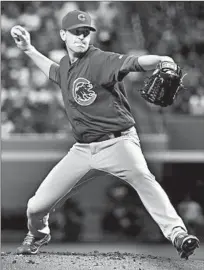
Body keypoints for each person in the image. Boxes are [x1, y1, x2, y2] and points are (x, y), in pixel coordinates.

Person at [11, 10, 199, 259]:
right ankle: (39, 233)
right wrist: (28, 50)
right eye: (77, 32)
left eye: (86, 32)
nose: (82, 37)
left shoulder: (101, 60)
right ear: (63, 35)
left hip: (119, 142)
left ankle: (177, 233)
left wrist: (162, 59)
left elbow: (135, 62)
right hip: (82, 150)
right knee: (35, 206)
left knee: (144, 178)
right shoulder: (67, 65)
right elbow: (54, 72)